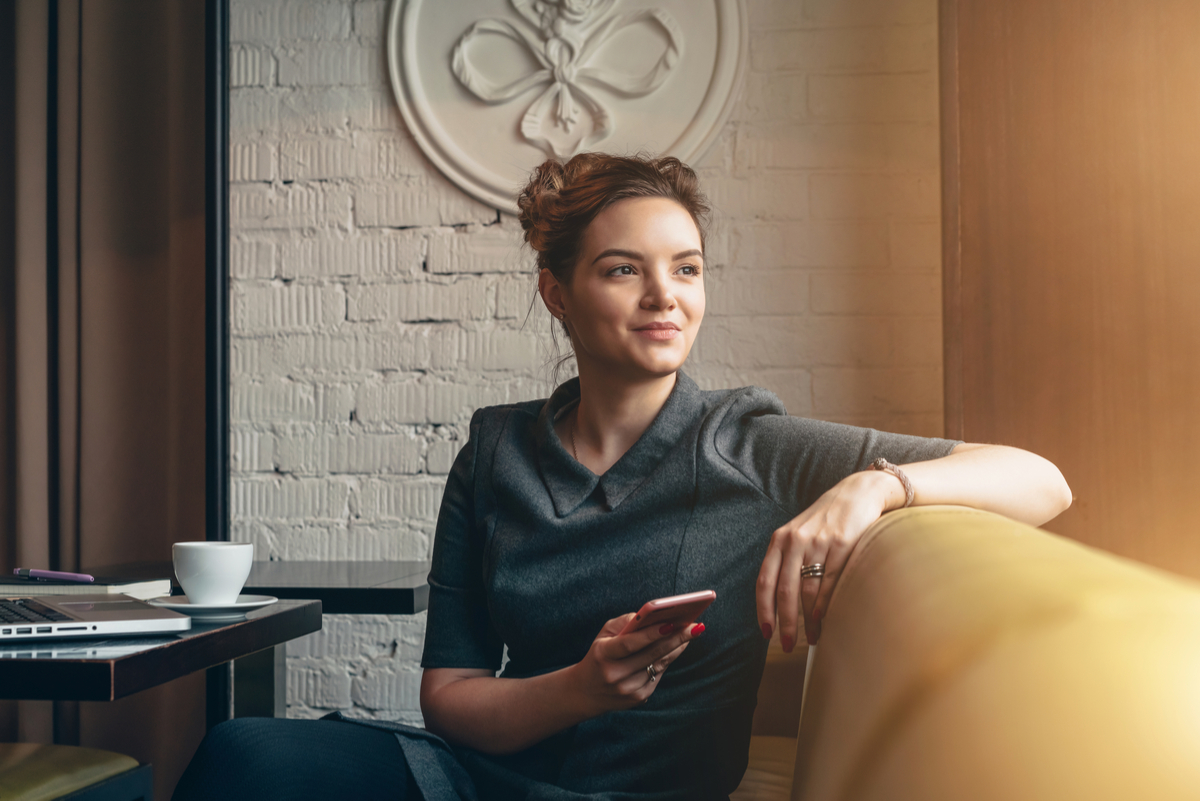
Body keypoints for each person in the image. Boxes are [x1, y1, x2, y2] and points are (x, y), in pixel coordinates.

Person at [173, 154, 1071, 801]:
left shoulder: (749, 444)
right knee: (243, 751)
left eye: (686, 269)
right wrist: (581, 688)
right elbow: (447, 693)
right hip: (482, 777)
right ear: (557, 292)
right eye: (623, 270)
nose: (665, 296)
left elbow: (1041, 479)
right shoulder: (494, 454)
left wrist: (872, 486)